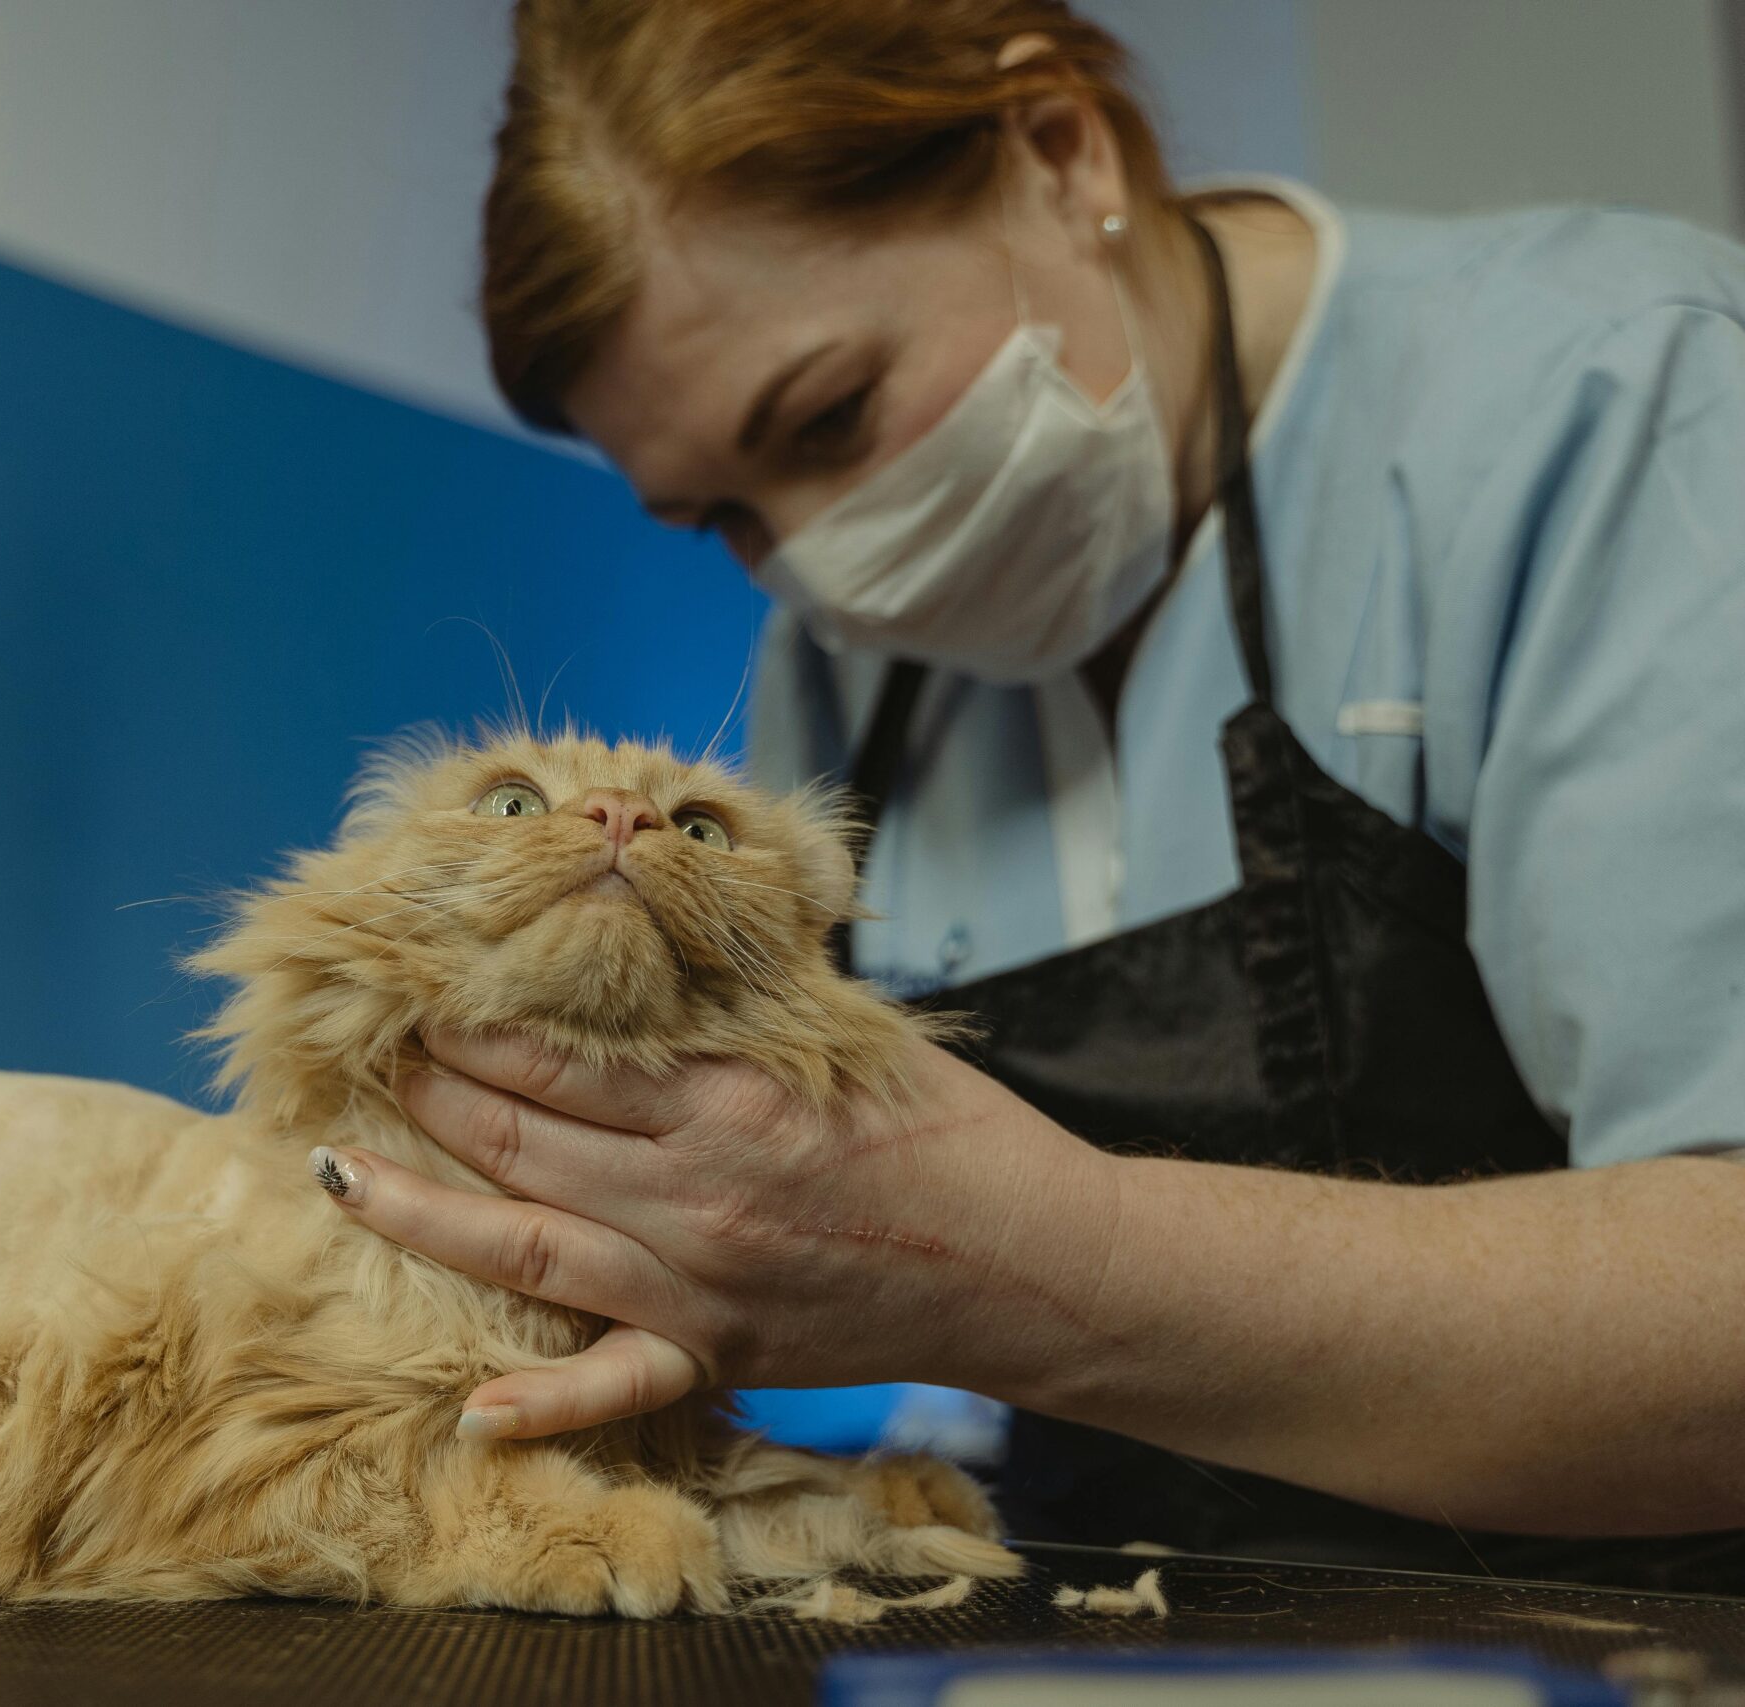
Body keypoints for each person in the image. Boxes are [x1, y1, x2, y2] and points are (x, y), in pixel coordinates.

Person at [304, 0, 1745, 1592]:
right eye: (722, 516)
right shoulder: (848, 676)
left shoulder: (1621, 404)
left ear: (1059, 152)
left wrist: (1047, 1266)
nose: (825, 571)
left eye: (832, 417)